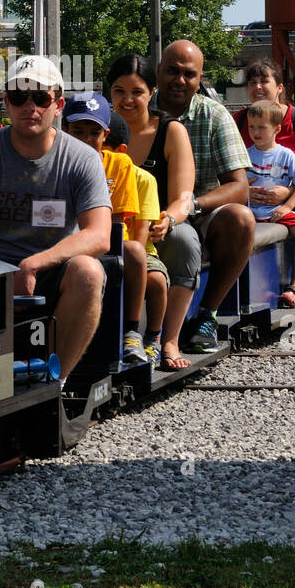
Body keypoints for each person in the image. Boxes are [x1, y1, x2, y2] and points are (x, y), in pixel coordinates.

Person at [0, 55, 111, 379]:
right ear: (6, 103)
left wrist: (36, 263)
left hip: (52, 270)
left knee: (89, 272)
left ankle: (56, 382)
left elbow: (99, 235)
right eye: (18, 97)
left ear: (58, 104)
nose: (30, 107)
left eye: (40, 97)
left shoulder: (81, 158)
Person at [155, 40, 255, 353]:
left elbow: (240, 187)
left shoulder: (214, 116)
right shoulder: (139, 111)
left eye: (189, 74)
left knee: (241, 219)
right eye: (172, 71)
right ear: (158, 71)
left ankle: (206, 315)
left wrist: (190, 205)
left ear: (201, 80)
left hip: (198, 215)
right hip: (145, 214)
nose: (180, 80)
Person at [106, 52, 198, 369]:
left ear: (152, 93)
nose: (127, 100)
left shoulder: (171, 132)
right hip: (108, 228)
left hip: (157, 225)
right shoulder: (95, 132)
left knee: (184, 241)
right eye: (119, 91)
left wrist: (168, 218)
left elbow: (183, 195)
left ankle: (168, 339)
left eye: (137, 92)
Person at [232, 58, 295, 302]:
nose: (257, 87)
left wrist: (286, 193)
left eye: (264, 81)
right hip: (251, 199)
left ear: (279, 87)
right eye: (252, 82)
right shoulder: (237, 121)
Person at [61, 91, 148, 366]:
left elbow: (119, 222)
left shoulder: (119, 163)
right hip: (65, 241)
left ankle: (132, 332)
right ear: (64, 130)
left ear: (105, 134)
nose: (86, 139)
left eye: (93, 132)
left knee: (134, 251)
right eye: (78, 131)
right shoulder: (55, 162)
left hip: (106, 242)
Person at [104, 110, 168, 365]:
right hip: (102, 246)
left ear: (120, 150)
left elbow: (141, 234)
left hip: (135, 250)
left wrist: (125, 258)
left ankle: (152, 337)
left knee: (156, 281)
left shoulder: (142, 179)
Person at [243, 99, 295, 309]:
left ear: (277, 129)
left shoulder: (285, 155)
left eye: (261, 127)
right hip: (251, 211)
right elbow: (235, 183)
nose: (255, 132)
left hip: (275, 209)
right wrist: (245, 190)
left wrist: (287, 206)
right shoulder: (245, 154)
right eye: (251, 127)